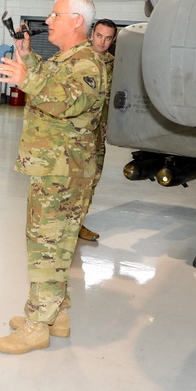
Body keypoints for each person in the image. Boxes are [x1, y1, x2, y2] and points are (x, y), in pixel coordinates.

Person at [0, 0, 107, 354]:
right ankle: (57, 314)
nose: (48, 20)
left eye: (55, 15)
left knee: (47, 246)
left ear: (76, 20)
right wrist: (27, 56)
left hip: (64, 171)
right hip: (54, 167)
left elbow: (69, 101)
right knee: (51, 243)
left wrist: (29, 78)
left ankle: (37, 325)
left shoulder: (89, 62)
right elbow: (51, 79)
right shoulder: (68, 58)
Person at [78, 18, 118, 242]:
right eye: (99, 36)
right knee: (71, 181)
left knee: (92, 181)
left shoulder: (113, 64)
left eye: (108, 38)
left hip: (98, 135)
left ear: (113, 40)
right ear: (92, 34)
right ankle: (63, 227)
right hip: (76, 134)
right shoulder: (79, 59)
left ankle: (79, 223)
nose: (102, 42)